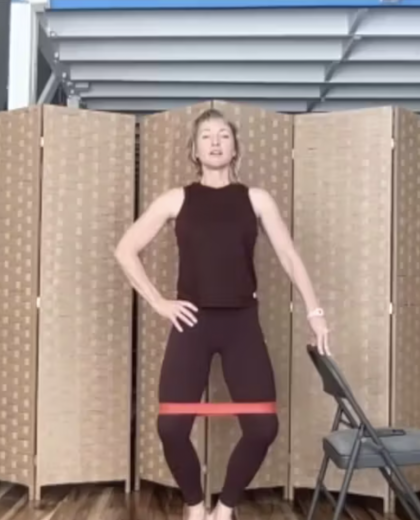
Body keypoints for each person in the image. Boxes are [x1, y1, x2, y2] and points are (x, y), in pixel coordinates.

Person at [114, 108, 330, 520]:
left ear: (235, 147)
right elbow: (125, 249)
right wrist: (159, 301)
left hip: (241, 324)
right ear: (194, 150)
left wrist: (314, 310)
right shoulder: (177, 198)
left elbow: (288, 255)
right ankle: (195, 507)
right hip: (192, 323)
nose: (215, 142)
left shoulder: (256, 198)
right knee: (172, 429)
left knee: (263, 428)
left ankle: (224, 508)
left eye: (223, 136)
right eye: (206, 136)